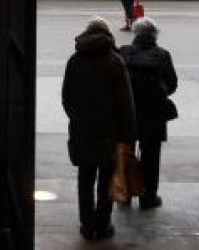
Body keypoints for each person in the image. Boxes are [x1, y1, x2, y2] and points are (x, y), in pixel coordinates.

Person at [61, 17, 136, 241]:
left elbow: (66, 97)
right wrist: (128, 134)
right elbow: (125, 102)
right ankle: (102, 225)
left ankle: (87, 225)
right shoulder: (114, 61)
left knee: (85, 179)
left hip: (82, 131)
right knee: (106, 182)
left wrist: (78, 119)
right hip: (109, 133)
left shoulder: (75, 60)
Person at [118, 17, 178, 210]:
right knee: (151, 157)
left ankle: (124, 194)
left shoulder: (123, 52)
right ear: (155, 35)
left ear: (135, 33)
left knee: (125, 153)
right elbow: (172, 84)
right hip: (154, 115)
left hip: (128, 113)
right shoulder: (163, 55)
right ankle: (148, 197)